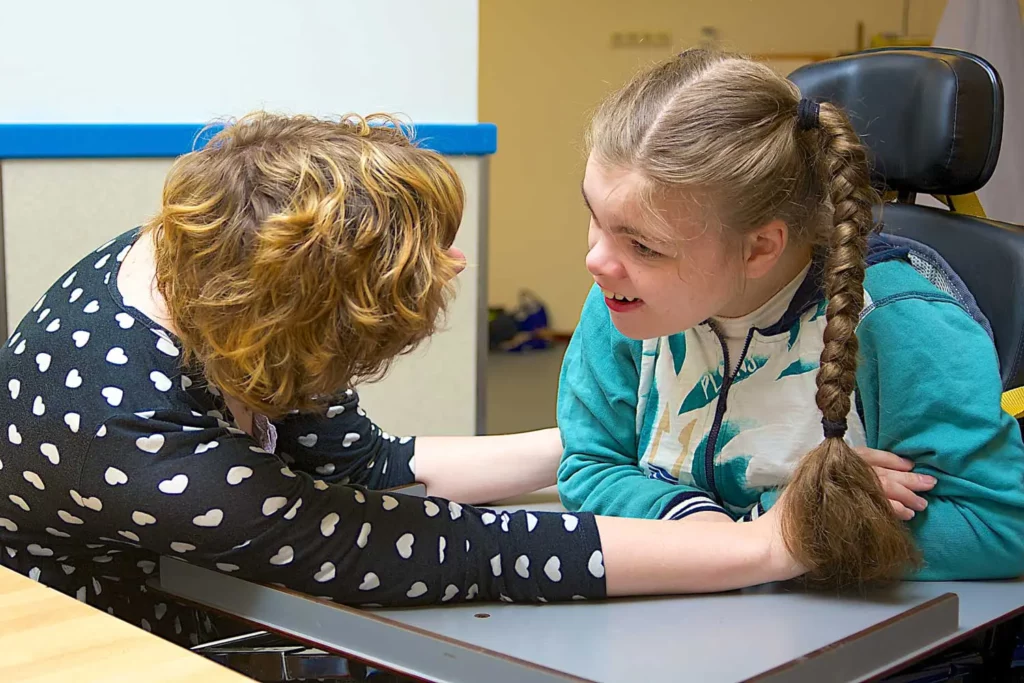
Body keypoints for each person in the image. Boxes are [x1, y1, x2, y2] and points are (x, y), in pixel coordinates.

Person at [0, 111, 808, 649]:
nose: (454, 264)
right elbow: (457, 550)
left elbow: (370, 468)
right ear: (303, 333)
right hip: (95, 638)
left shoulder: (203, 256)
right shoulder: (141, 442)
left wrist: (610, 440)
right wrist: (762, 546)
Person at [557, 49, 1024, 586]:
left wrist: (806, 526)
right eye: (597, 218)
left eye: (643, 245)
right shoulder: (625, 297)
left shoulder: (899, 323)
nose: (597, 260)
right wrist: (730, 539)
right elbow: (589, 465)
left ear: (759, 248)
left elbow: (1000, 524)